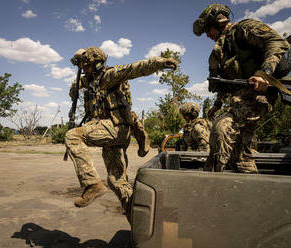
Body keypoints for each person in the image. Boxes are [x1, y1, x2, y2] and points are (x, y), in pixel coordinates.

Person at [65, 47, 177, 214]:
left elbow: (134, 68)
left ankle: (92, 184)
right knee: (117, 181)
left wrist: (158, 63)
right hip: (113, 134)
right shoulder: (90, 80)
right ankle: (139, 220)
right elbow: (76, 86)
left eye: (85, 66)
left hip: (116, 128)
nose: (83, 71)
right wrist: (74, 87)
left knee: (73, 136)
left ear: (95, 63)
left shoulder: (109, 75)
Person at [193, 4, 289, 173]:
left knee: (221, 129)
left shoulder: (244, 29)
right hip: (241, 99)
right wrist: (217, 105)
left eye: (209, 30)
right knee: (241, 154)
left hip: (260, 95)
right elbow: (226, 83)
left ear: (219, 22)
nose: (208, 35)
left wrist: (263, 74)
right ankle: (245, 179)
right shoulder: (221, 51)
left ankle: (211, 178)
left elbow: (277, 42)